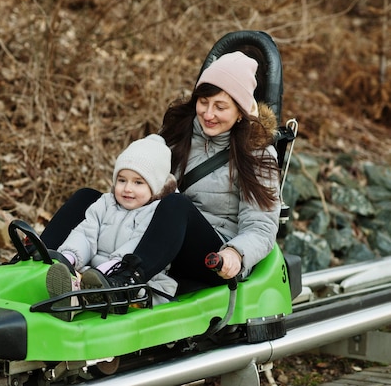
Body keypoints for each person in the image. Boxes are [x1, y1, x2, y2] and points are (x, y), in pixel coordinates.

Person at [40, 50, 281, 300]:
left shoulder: (258, 156)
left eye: (220, 107)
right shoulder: (179, 133)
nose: (208, 114)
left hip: (211, 256)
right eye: (203, 102)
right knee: (87, 198)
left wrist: (236, 253)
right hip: (152, 235)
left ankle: (125, 281)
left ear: (240, 111)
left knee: (176, 205)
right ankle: (34, 263)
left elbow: (261, 227)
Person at [45, 134, 179, 321]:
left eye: (138, 182)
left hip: (136, 282)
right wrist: (70, 256)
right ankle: (72, 301)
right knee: (77, 277)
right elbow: (85, 232)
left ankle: (99, 298)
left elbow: (137, 245)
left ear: (155, 186)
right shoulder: (105, 203)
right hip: (95, 275)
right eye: (122, 180)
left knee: (125, 290)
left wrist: (112, 268)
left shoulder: (157, 212)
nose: (127, 189)